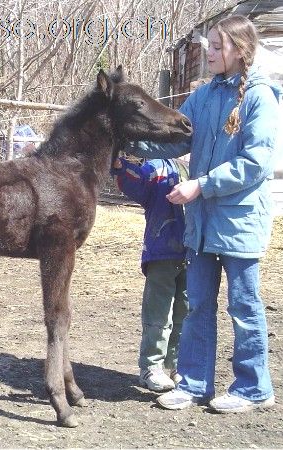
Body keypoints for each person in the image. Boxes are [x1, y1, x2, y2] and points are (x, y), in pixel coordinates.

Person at [121, 15, 281, 413]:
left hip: (239, 220)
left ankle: (253, 387)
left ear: (238, 50)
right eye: (207, 45)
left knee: (243, 307)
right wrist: (130, 146)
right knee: (198, 305)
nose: (207, 53)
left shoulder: (260, 96)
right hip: (202, 224)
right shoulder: (205, 96)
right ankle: (194, 383)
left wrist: (200, 185)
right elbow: (175, 140)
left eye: (216, 47)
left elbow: (255, 163)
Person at [111, 157, 189, 392]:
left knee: (187, 311)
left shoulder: (203, 163)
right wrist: (120, 166)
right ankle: (151, 366)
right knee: (158, 311)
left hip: (196, 253)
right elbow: (138, 184)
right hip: (162, 250)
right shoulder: (159, 166)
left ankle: (179, 365)